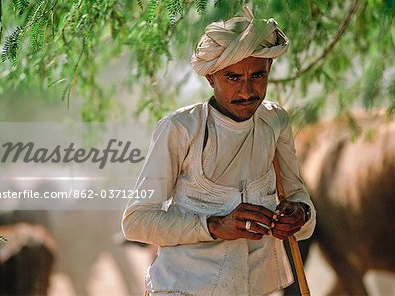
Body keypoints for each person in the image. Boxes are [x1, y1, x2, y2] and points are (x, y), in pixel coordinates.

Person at [122, 6, 316, 296]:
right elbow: (136, 223)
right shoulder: (180, 128)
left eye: (258, 76)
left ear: (270, 70)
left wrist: (298, 214)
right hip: (182, 288)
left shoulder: (275, 121)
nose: (248, 91)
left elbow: (299, 202)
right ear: (210, 78)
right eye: (233, 77)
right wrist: (214, 226)